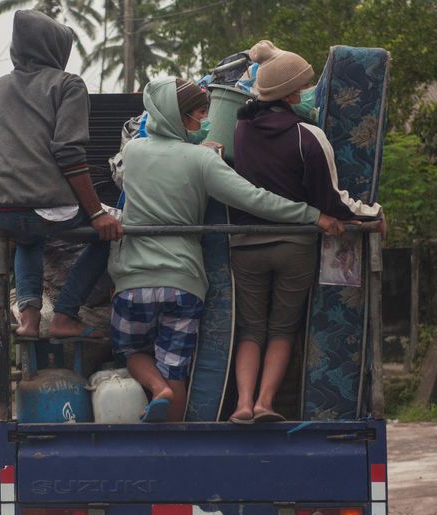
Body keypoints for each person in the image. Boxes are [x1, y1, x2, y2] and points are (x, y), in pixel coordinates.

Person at [108, 77, 347, 423]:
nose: (205, 121)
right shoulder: (202, 160)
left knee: (130, 349)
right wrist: (312, 215)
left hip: (132, 279)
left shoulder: (132, 152)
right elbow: (253, 198)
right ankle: (175, 434)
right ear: (180, 117)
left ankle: (156, 388)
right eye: (200, 114)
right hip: (183, 282)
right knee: (176, 370)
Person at [228, 41, 385, 424]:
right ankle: (265, 403)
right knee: (282, 329)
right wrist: (373, 214)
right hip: (294, 245)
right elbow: (331, 200)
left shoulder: (241, 129)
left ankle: (242, 404)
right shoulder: (307, 135)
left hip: (245, 245)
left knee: (250, 329)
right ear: (291, 95)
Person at [0, 9, 122, 340]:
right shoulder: (68, 84)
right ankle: (65, 314)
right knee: (110, 234)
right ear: (56, 48)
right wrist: (97, 213)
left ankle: (29, 320)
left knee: (28, 237)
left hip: (0, 207)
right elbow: (69, 154)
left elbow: (1, 148)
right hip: (45, 204)